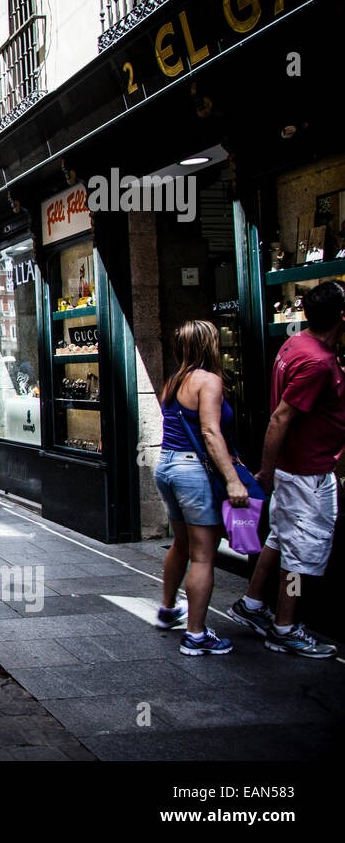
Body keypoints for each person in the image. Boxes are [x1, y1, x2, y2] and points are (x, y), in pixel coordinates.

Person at [231, 281, 344, 659]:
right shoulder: (318, 362)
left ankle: (252, 603)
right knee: (300, 556)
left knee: (278, 539)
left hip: (295, 473)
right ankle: (285, 627)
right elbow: (280, 419)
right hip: (307, 476)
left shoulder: (296, 344)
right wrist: (265, 471)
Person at [152, 320, 252, 655]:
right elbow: (210, 433)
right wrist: (233, 480)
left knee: (181, 544)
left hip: (167, 465)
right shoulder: (209, 381)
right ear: (208, 345)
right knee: (204, 555)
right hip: (192, 471)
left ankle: (168, 610)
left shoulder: (174, 381)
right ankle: (196, 635)